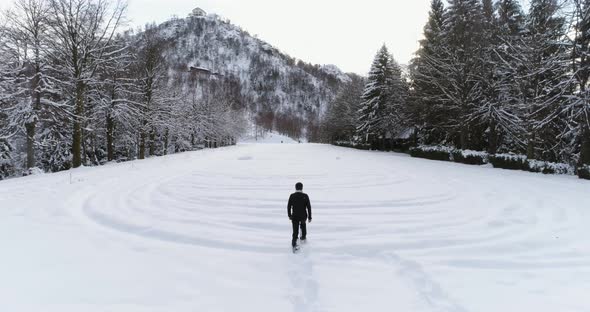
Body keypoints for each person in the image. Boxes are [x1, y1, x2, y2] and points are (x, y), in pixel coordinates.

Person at [287, 182, 312, 250]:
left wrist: (289, 215)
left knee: (295, 231)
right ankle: (303, 237)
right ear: (302, 188)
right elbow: (309, 207)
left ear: (295, 188)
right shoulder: (305, 196)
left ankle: (294, 244)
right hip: (303, 216)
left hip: (294, 216)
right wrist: (310, 217)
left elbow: (288, 207)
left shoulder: (292, 196)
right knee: (303, 225)